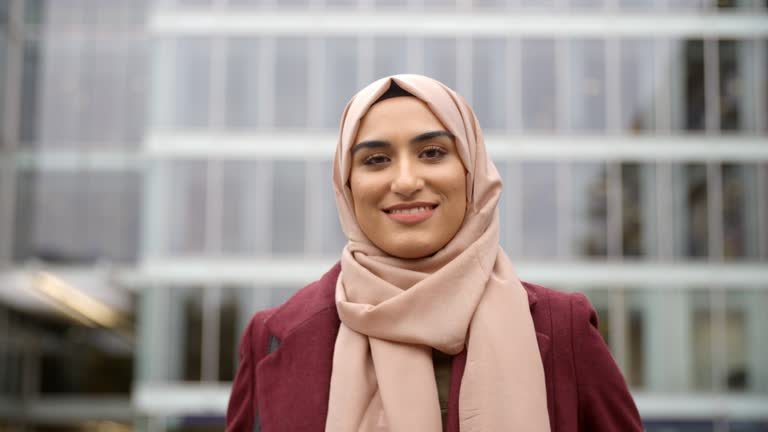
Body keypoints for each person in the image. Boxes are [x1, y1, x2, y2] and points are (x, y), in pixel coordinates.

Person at [226, 74, 643, 432]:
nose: (406, 180)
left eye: (432, 153)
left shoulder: (563, 326)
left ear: (472, 170)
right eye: (376, 159)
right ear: (346, 185)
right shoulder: (273, 336)